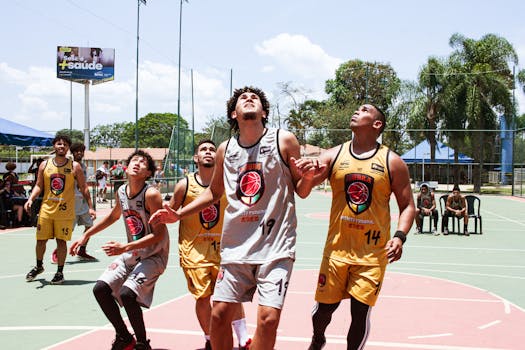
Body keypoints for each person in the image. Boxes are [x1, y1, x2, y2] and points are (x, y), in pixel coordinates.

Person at [150, 86, 315, 350]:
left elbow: (301, 191)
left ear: (263, 112)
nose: (250, 100)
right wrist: (178, 213)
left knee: (268, 319)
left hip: (276, 246)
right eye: (243, 98)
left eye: (256, 99)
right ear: (233, 113)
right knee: (219, 315)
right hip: (236, 247)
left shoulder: (284, 140)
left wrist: (308, 178)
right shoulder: (225, 149)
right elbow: (214, 193)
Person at [294, 104, 415, 350]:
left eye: (364, 110)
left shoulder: (392, 162)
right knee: (322, 313)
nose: (357, 111)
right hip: (336, 251)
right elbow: (303, 192)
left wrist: (400, 237)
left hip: (371, 255)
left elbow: (408, 206)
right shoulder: (334, 154)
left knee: (360, 314)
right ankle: (318, 339)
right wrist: (306, 177)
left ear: (377, 124)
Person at [69, 150, 169, 350]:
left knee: (127, 294)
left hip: (153, 255)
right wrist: (86, 235)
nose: (137, 163)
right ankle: (124, 337)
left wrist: (125, 246)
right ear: (126, 165)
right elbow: (113, 216)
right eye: (134, 160)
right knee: (100, 289)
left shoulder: (151, 194)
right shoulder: (121, 191)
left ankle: (142, 343)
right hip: (131, 253)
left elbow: (159, 234)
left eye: (142, 162)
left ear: (148, 173)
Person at [168, 139, 251, 350]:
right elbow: (171, 214)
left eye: (212, 149)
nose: (208, 152)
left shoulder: (228, 182)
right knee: (203, 298)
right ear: (196, 158)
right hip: (194, 252)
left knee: (232, 294)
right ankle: (209, 338)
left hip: (225, 249)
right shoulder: (184, 185)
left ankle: (243, 338)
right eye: (203, 149)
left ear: (219, 156)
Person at [24, 134, 94, 285]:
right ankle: (38, 266)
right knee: (40, 240)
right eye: (59, 144)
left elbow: (84, 188)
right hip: (46, 209)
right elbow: (38, 185)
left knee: (61, 242)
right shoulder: (45, 165)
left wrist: (91, 207)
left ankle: (60, 272)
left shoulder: (74, 166)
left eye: (65, 145)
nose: (62, 146)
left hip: (65, 211)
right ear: (54, 146)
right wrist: (30, 199)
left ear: (68, 148)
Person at [70, 142, 98, 260]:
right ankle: (57, 251)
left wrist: (91, 206)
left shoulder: (83, 166)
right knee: (67, 231)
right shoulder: (69, 166)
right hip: (71, 202)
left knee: (90, 226)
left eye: (81, 151)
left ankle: (82, 250)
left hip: (83, 203)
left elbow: (84, 187)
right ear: (72, 152)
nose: (79, 153)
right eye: (77, 151)